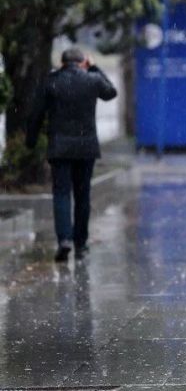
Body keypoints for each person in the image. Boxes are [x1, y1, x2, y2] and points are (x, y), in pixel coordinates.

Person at [26, 48, 117, 262]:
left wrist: (30, 141)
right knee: (83, 196)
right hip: (86, 149)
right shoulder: (93, 79)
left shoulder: (52, 81)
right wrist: (94, 67)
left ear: (62, 62)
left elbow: (36, 114)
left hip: (60, 148)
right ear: (83, 62)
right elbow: (111, 92)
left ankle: (64, 240)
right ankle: (81, 244)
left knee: (61, 194)